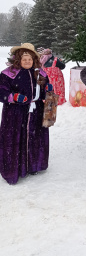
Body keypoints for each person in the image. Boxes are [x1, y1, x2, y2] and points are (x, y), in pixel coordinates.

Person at [0, 43, 52, 185]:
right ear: (18, 59)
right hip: (15, 114)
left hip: (36, 111)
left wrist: (46, 88)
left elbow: (43, 89)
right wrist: (14, 97)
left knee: (35, 138)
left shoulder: (39, 72)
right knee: (16, 139)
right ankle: (14, 170)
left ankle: (33, 165)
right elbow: (1, 91)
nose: (27, 61)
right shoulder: (9, 73)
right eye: (24, 59)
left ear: (34, 59)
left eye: (29, 59)